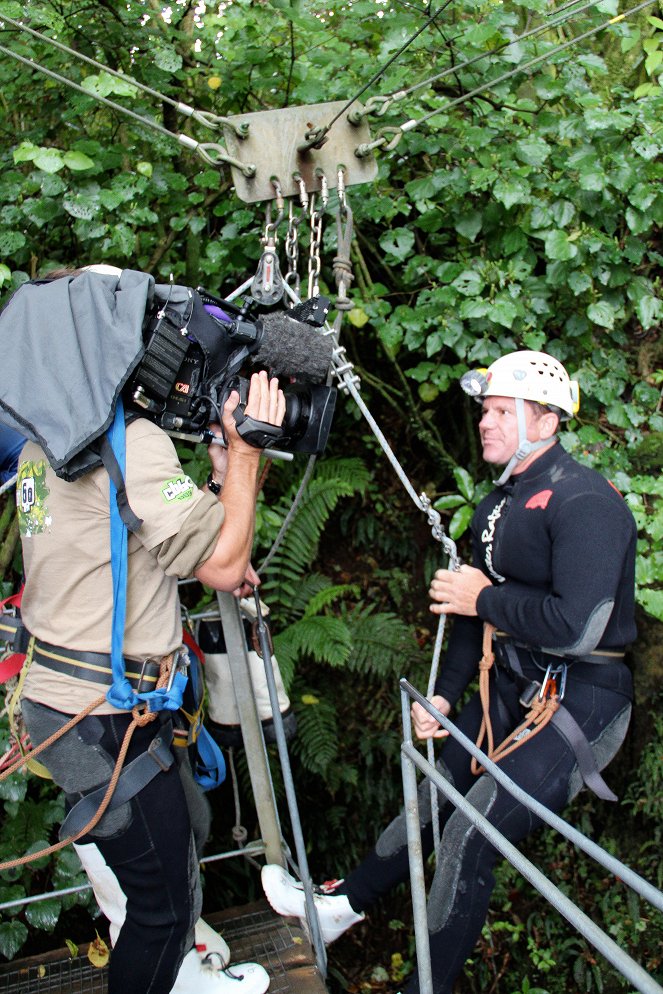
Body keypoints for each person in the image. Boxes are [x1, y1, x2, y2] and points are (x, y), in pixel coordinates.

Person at [261, 350, 637, 994]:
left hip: (583, 701)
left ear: (544, 422)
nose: (485, 423)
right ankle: (339, 909)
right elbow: (473, 621)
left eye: (499, 411)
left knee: (469, 834)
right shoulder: (498, 505)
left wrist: (482, 598)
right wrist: (443, 691)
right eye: (484, 411)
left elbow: (580, 626)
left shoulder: (586, 503)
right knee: (431, 794)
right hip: (514, 684)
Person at [12, 266, 286, 994]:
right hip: (105, 713)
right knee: (161, 909)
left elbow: (128, 540)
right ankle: (171, 972)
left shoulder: (48, 440)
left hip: (66, 704)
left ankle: (184, 978)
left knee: (179, 836)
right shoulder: (129, 441)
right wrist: (249, 453)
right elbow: (223, 569)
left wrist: (224, 477)